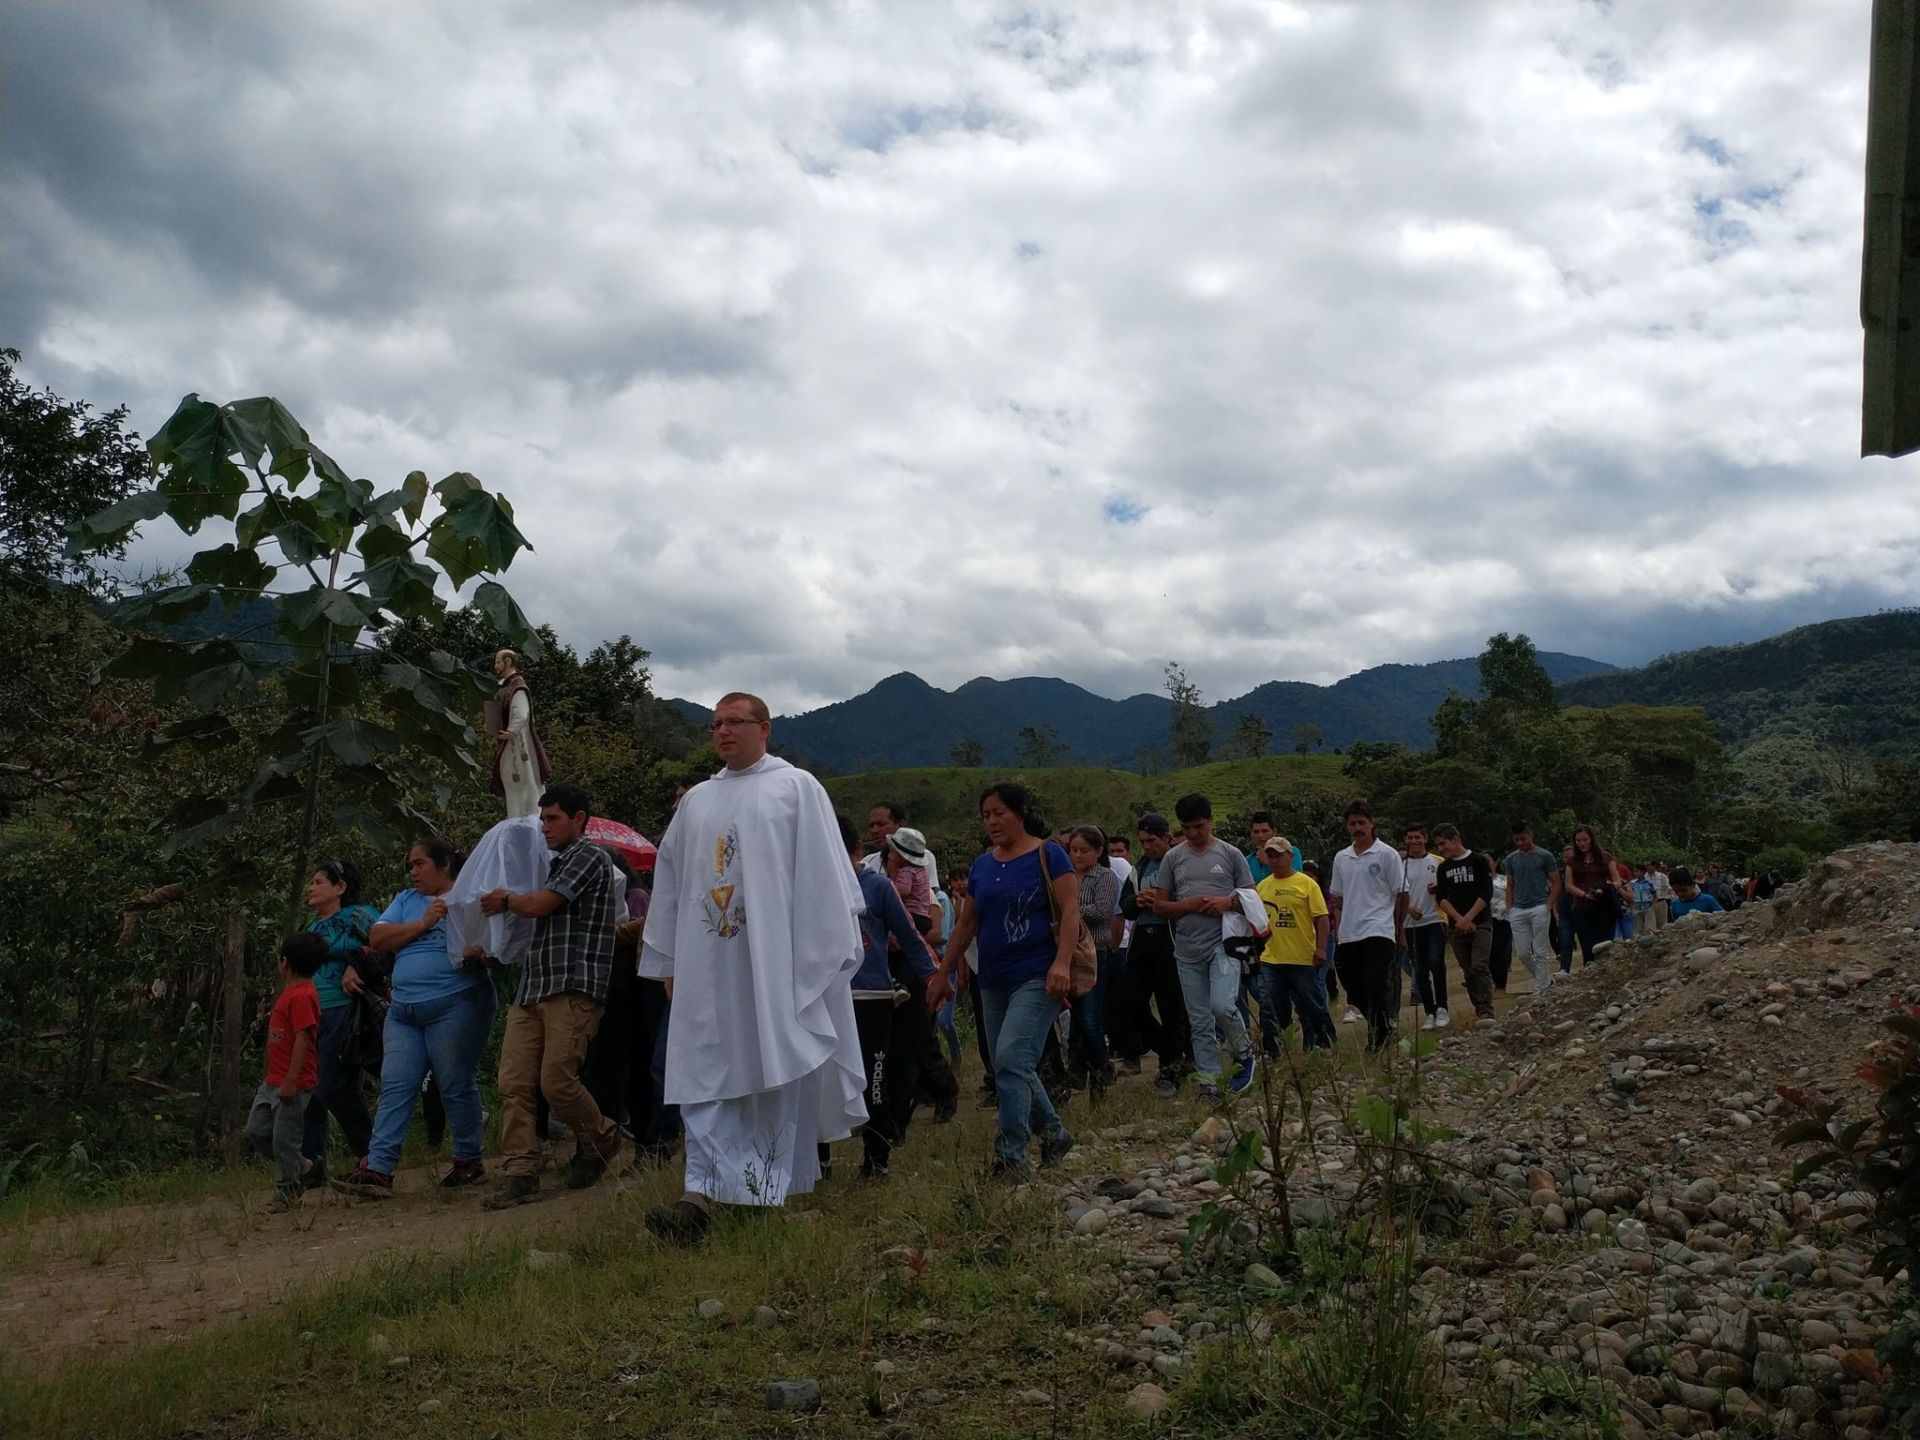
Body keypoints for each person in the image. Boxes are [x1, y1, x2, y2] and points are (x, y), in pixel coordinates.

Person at [639, 694, 867, 1243]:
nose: (721, 732)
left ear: (763, 728)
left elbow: (820, 876)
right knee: (701, 1070)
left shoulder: (796, 788)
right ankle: (698, 1193)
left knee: (768, 1065)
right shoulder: (696, 800)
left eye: (733, 722)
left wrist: (814, 952)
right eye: (715, 724)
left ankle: (758, 1189)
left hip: (771, 964)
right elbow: (670, 882)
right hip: (706, 961)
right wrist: (669, 957)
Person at [478, 784, 627, 1209]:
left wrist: (506, 899)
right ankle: (520, 1170)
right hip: (535, 985)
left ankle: (601, 1134)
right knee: (513, 1082)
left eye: (553, 818)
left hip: (573, 984)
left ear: (579, 819)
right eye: (542, 819)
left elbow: (541, 905)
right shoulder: (552, 862)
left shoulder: (588, 856)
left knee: (556, 1081)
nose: (545, 827)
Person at [927, 783, 1077, 1177]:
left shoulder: (1050, 854)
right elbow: (967, 924)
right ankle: (1055, 1133)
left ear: (1021, 812)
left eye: (999, 813)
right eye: (986, 815)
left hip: (1037, 974)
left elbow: (1070, 910)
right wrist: (943, 973)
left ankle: (1011, 1156)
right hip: (992, 978)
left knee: (1011, 1061)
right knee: (1009, 1064)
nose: (991, 821)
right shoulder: (982, 865)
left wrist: (1061, 964)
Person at [335, 838, 497, 1196]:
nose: (413, 872)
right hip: (405, 1009)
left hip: (456, 1001)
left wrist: (481, 954)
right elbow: (378, 936)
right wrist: (423, 923)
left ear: (443, 865)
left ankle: (468, 1159)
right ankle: (378, 1168)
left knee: (454, 1080)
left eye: (419, 864)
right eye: (411, 865)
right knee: (396, 1084)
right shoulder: (406, 900)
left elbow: (495, 944)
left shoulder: (471, 898)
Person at [1139, 794, 1257, 1101]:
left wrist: (1227, 902)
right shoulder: (1173, 858)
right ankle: (1210, 1082)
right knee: (1199, 1019)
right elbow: (1161, 906)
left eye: (1199, 826)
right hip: (1186, 949)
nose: (1193, 833)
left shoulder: (1230, 855)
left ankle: (1244, 1052)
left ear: (1210, 821)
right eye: (1187, 828)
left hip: (1222, 943)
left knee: (1222, 1005)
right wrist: (1187, 904)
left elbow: (1252, 900)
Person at [840, 814, 937, 1179]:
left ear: (857, 850)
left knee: (872, 1080)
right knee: (820, 1082)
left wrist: (933, 979)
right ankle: (818, 1163)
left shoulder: (878, 887)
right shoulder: (811, 887)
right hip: (827, 999)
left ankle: (876, 1157)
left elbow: (910, 936)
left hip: (872, 997)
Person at [299, 860, 380, 1189]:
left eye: (319, 881)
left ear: (340, 888)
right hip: (313, 1012)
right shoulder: (315, 927)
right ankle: (311, 1164)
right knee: (311, 1092)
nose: (312, 887)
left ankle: (374, 1155)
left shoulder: (357, 915)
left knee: (334, 1086)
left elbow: (382, 944)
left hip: (344, 1009)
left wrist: (354, 966)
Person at [880, 828, 960, 1124]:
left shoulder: (921, 894)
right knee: (900, 1040)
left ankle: (943, 1089)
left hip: (915, 967)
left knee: (917, 1036)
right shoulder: (887, 888)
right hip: (895, 967)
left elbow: (934, 933)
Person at [1117, 814, 1194, 1097]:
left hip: (1171, 939)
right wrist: (1137, 900)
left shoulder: (1179, 863)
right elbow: (1125, 905)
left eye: (1152, 840)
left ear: (1166, 838)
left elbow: (1191, 896)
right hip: (1142, 938)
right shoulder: (1139, 867)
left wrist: (1164, 901)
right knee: (1129, 1001)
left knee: (1171, 1004)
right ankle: (1172, 1050)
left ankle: (1171, 1068)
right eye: (1143, 842)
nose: (1147, 846)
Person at [250, 933, 323, 1210]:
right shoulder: (290, 994)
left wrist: (292, 1082)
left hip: (293, 1082)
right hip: (273, 1080)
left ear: (285, 964)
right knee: (257, 1131)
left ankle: (288, 1192)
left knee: (284, 1137)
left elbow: (304, 1039)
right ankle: (302, 1165)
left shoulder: (303, 996)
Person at [1328, 800, 1407, 1053]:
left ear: (1372, 824)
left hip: (1378, 928)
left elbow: (1401, 894)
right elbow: (1337, 898)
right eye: (1353, 823)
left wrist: (1398, 928)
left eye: (1362, 822)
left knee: (1375, 984)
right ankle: (1381, 1026)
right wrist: (1339, 930)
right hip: (1349, 932)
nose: (1358, 827)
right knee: (1352, 986)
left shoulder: (1387, 854)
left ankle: (1378, 1039)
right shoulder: (1342, 857)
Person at [1251, 836, 1334, 1050]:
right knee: (1270, 1006)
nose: (1275, 860)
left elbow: (1322, 917)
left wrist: (1322, 948)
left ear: (1290, 856)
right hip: (1271, 957)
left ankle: (1326, 1041)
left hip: (1301, 957)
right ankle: (1272, 1049)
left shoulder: (1307, 884)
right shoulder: (1262, 887)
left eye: (1278, 855)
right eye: (1270, 856)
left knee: (1311, 1004)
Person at [1066, 826, 1120, 1097]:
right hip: (1066, 953)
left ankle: (1100, 1074)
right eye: (1073, 850)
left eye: (1083, 850)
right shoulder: (1065, 876)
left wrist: (1068, 913)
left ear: (1098, 851)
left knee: (1089, 1017)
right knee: (1075, 1019)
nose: (1077, 855)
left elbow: (1101, 912)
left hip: (1094, 953)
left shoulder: (1106, 877)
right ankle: (1080, 1070)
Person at [1431, 824, 1496, 1021]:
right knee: (1468, 971)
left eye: (1443, 844)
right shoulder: (1444, 868)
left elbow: (1486, 892)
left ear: (1455, 840)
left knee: (1479, 965)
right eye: (1437, 845)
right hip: (1456, 926)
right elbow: (1441, 897)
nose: (1441, 849)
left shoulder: (1478, 861)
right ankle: (1477, 1006)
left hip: (1481, 922)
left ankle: (1486, 1009)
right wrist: (1459, 919)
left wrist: (1469, 917)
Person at [1501, 823, 1561, 996]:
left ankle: (1541, 987)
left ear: (1531, 835)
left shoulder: (1544, 855)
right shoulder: (1511, 859)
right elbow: (1510, 884)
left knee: (1540, 949)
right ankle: (1544, 979)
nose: (1520, 843)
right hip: (1518, 908)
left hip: (1539, 905)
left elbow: (1556, 881)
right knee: (1522, 952)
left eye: (1523, 839)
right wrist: (1510, 907)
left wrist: (1549, 904)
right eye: (1517, 840)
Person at [491, 648, 551, 819]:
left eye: (498, 661)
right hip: (509, 745)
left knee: (522, 787)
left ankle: (524, 820)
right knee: (514, 788)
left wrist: (510, 732)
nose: (496, 666)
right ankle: (516, 819)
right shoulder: (506, 687)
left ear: (508, 662)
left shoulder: (517, 687)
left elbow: (521, 714)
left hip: (518, 746)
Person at [1401, 822, 1448, 1031]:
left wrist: (1439, 888)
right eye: (1410, 838)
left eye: (1417, 837)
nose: (1414, 841)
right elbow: (1395, 892)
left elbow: (1449, 887)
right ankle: (1429, 1011)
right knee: (1419, 970)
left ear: (1425, 839)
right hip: (1411, 923)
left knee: (1436, 962)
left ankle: (1442, 1008)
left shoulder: (1438, 862)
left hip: (1435, 919)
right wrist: (1408, 908)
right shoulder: (1400, 865)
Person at [1563, 824, 1627, 968]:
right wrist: (1584, 895)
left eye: (1585, 839)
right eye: (1578, 840)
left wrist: (1607, 888)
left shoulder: (1605, 857)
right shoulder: (1572, 861)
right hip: (1582, 907)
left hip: (1604, 905)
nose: (1582, 843)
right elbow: (1569, 885)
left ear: (1591, 839)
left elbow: (1617, 880)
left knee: (1605, 944)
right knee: (1588, 947)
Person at [1486, 852, 1514, 993]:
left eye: (1488, 860)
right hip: (1485, 920)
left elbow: (1511, 895)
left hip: (1502, 919)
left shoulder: (1504, 880)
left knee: (1500, 951)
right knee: (1487, 953)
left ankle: (1500, 985)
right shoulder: (1478, 881)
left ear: (1495, 863)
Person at [1649, 860, 1673, 932]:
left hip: (1661, 902)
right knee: (1649, 927)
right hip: (1648, 904)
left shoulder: (1662, 876)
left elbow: (1669, 889)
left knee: (1662, 927)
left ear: (1654, 866)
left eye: (1649, 865)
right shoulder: (1644, 877)